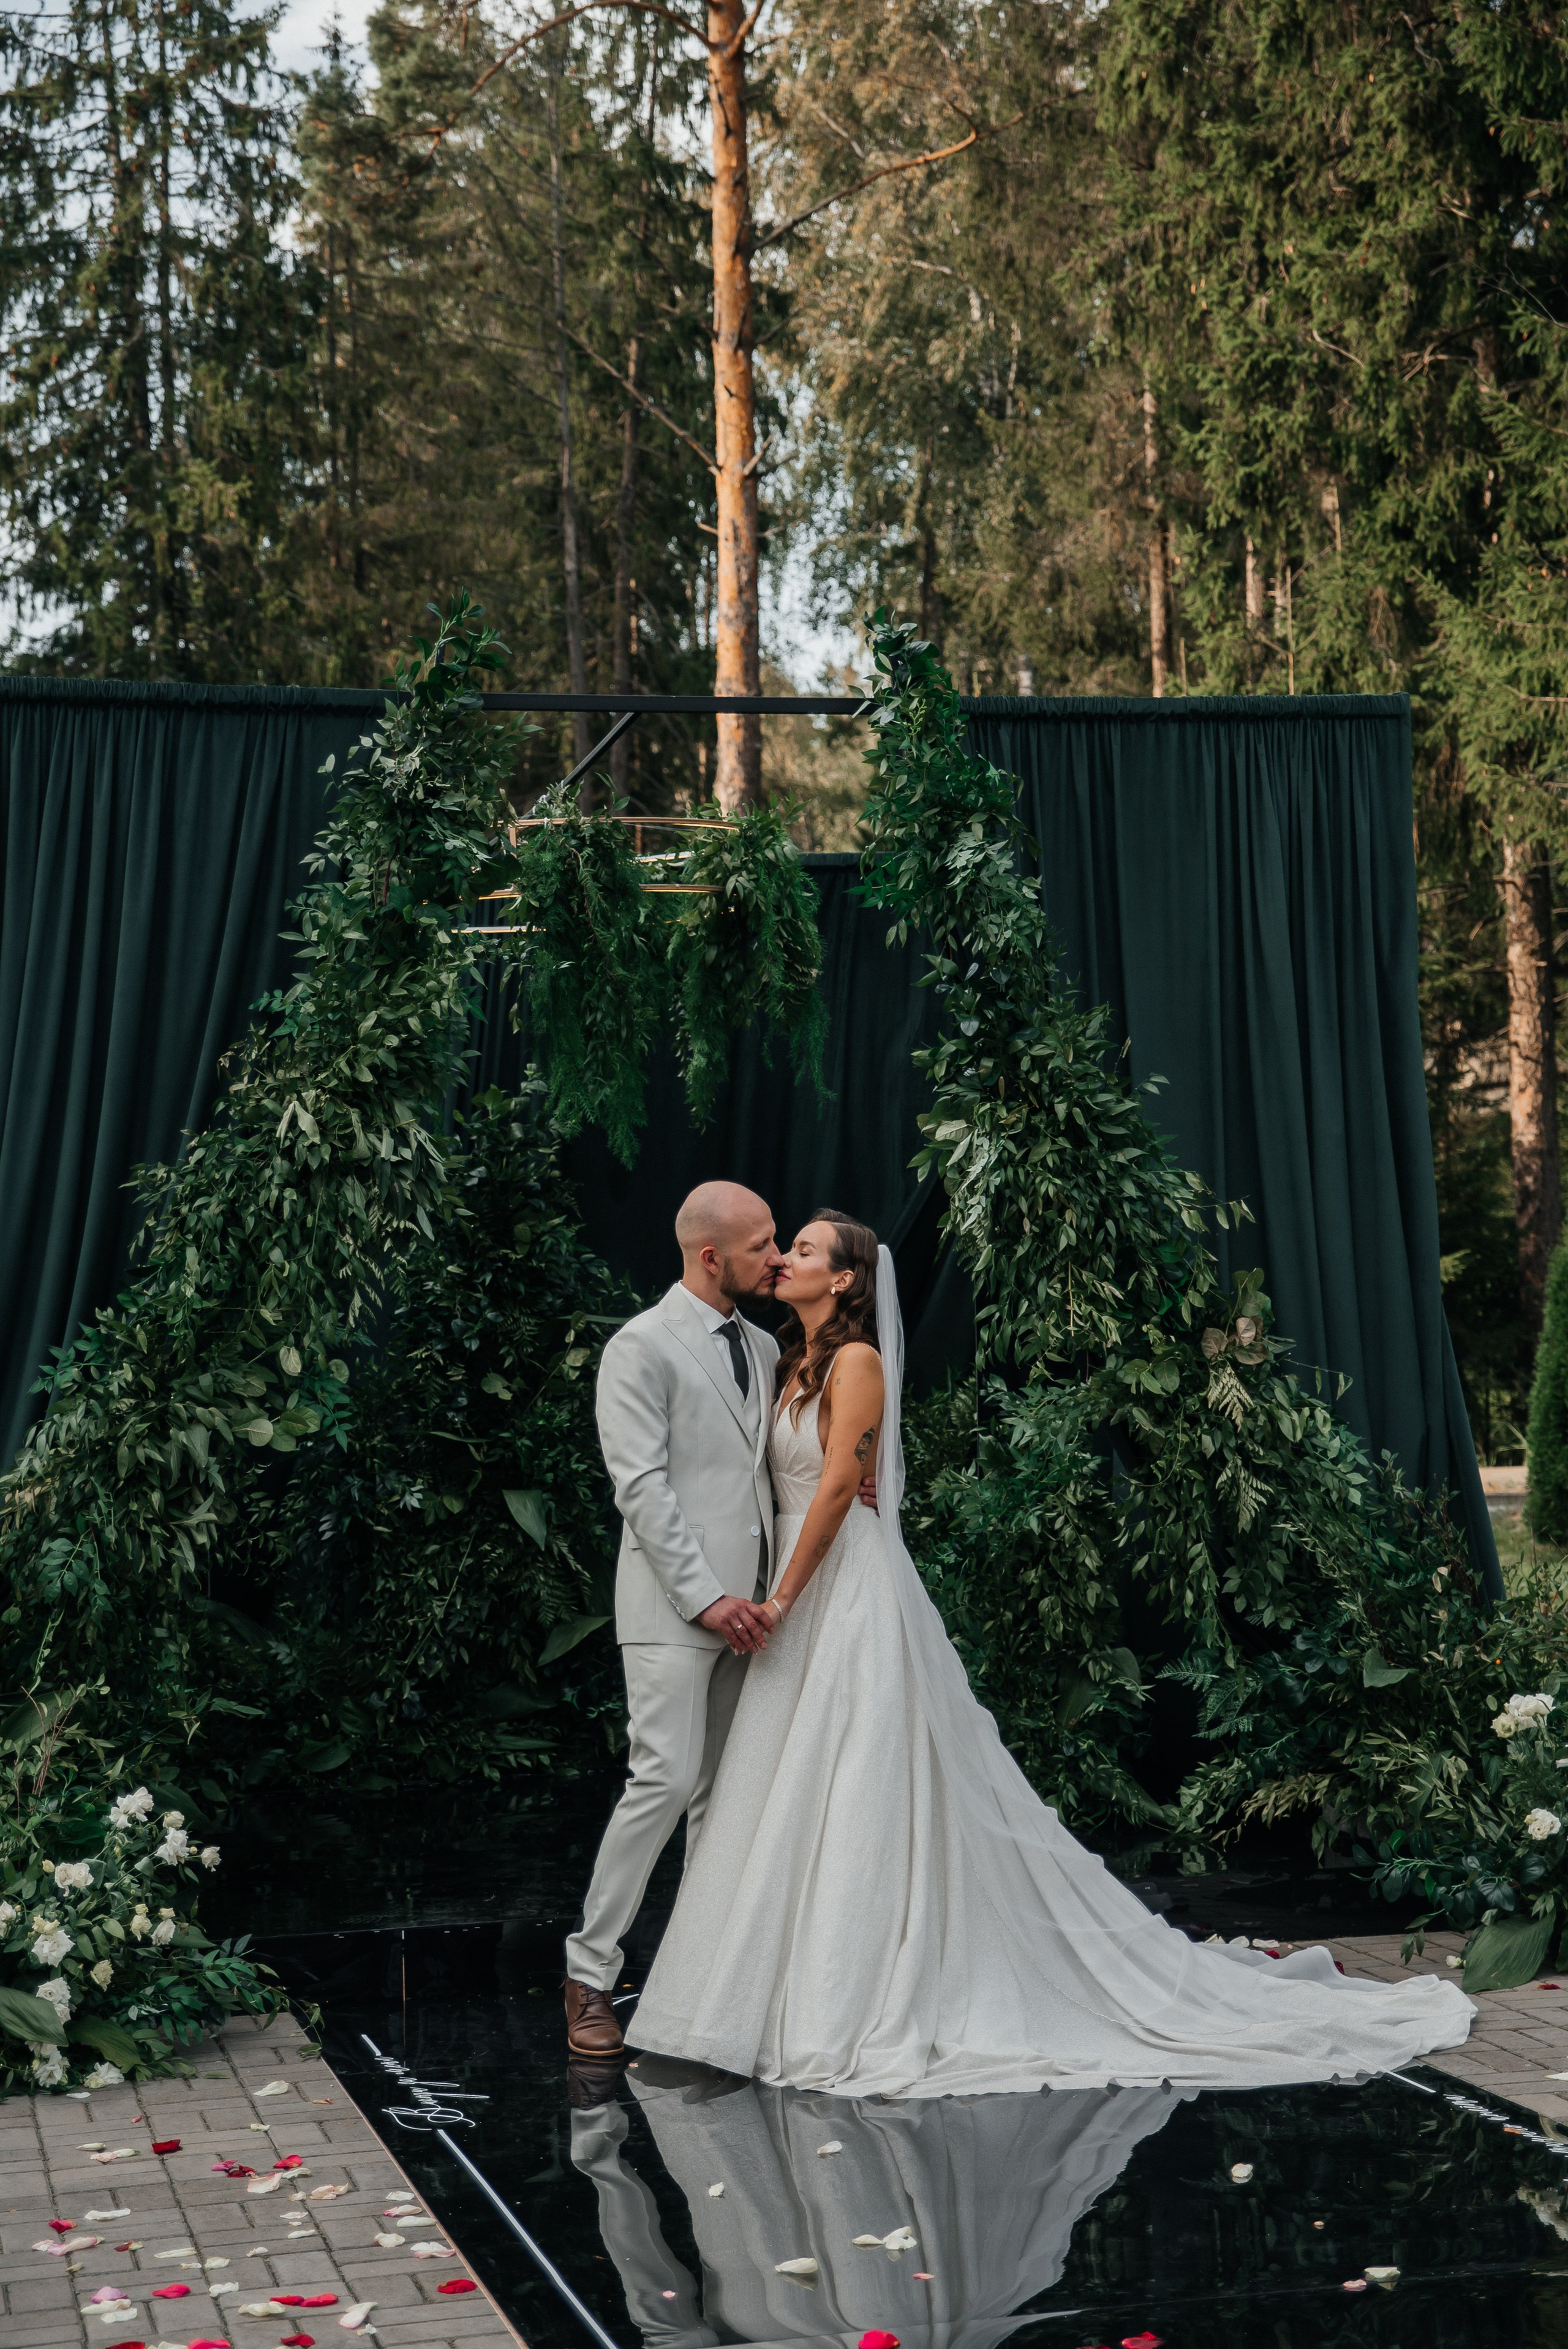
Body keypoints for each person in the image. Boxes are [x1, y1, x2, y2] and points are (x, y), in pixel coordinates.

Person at [627, 1208, 1475, 2098]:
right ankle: (752, 2001)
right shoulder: (782, 1359)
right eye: (786, 1246)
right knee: (782, 1782)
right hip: (795, 1581)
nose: (787, 1258)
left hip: (839, 1587)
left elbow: (842, 1484)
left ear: (843, 1279)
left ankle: (845, 1996)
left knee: (855, 1777)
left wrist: (783, 1598)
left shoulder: (859, 1361)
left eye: (803, 1249)